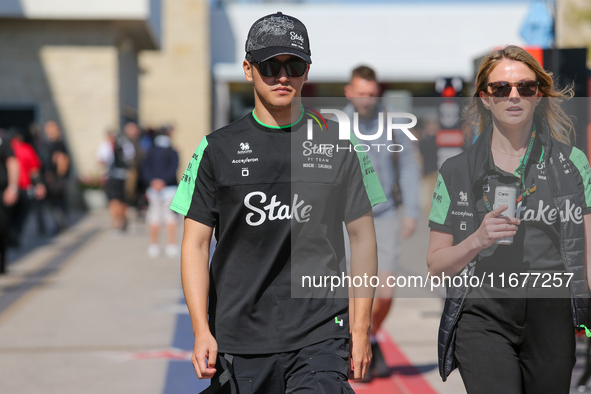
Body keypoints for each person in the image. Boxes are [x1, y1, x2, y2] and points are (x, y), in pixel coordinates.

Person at [171, 12, 385, 392]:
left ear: (307, 72)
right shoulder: (215, 149)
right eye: (270, 65)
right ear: (248, 69)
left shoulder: (342, 144)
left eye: (294, 65)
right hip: (240, 338)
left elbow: (364, 238)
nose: (282, 76)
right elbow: (196, 243)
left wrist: (360, 326)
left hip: (320, 333)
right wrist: (200, 329)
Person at [427, 45, 590, 394]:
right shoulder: (456, 170)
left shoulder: (572, 162)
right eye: (500, 88)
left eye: (525, 88)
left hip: (551, 313)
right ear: (485, 98)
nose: (513, 96)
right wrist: (476, 240)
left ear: (539, 96)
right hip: (483, 314)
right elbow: (437, 264)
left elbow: (588, 251)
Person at [343, 65, 420, 380]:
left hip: (384, 216)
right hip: (346, 219)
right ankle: (356, 349)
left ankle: (367, 337)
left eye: (372, 94)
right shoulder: (335, 125)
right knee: (354, 289)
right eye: (361, 93)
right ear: (349, 92)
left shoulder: (392, 124)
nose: (366, 99)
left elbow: (408, 168)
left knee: (385, 292)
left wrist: (412, 211)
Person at [141, 127, 179, 258]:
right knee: (169, 217)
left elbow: (145, 169)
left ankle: (154, 246)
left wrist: (153, 181)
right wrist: (162, 181)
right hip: (168, 187)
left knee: (154, 216)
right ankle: (171, 245)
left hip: (155, 187)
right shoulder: (172, 150)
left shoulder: (150, 150)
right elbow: (174, 168)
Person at [8, 132, 46, 247]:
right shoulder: (26, 149)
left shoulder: (6, 149)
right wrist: (39, 184)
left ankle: (11, 235)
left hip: (8, 189)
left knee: (9, 215)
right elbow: (34, 169)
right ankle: (15, 234)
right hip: (24, 188)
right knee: (22, 215)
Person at [97, 129, 135, 233]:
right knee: (118, 199)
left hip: (116, 176)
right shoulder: (123, 144)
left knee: (117, 199)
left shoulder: (108, 146)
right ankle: (119, 221)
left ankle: (118, 221)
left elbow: (101, 160)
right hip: (120, 175)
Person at [43, 121, 70, 233]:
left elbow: (63, 161)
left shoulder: (59, 144)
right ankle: (59, 223)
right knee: (56, 203)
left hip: (57, 179)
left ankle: (61, 224)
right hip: (53, 178)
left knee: (58, 203)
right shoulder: (49, 144)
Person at [0, 129, 19, 273]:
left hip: (1, 191)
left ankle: (2, 262)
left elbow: (12, 163)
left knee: (2, 227)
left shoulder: (3, 141)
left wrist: (12, 187)